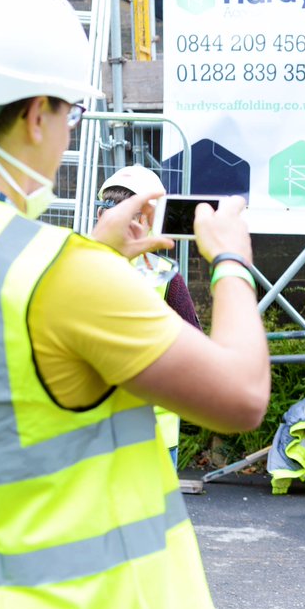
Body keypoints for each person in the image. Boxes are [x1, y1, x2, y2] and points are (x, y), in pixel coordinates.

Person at [0, 0, 271, 609]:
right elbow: (242, 396)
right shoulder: (64, 275)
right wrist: (231, 261)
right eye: (69, 113)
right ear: (36, 115)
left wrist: (94, 251)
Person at [98, 164, 203, 469]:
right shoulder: (166, 276)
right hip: (154, 431)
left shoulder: (72, 265)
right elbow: (197, 352)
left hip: (89, 431)